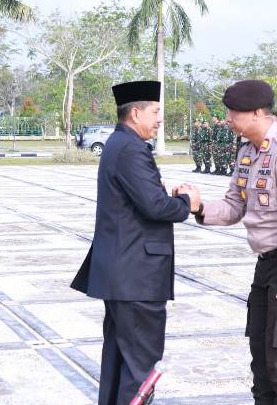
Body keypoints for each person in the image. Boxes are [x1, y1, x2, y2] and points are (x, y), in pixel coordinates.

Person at [194, 80, 277, 405]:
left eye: (234, 112)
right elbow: (233, 206)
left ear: (257, 113)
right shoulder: (247, 154)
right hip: (267, 265)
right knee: (262, 363)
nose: (228, 118)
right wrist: (198, 207)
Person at [70, 81, 200, 405]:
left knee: (119, 362)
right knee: (141, 369)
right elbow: (154, 206)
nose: (159, 120)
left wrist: (168, 198)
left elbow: (144, 200)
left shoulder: (119, 143)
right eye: (156, 112)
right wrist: (188, 202)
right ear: (136, 112)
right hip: (135, 278)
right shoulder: (130, 148)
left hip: (123, 275)